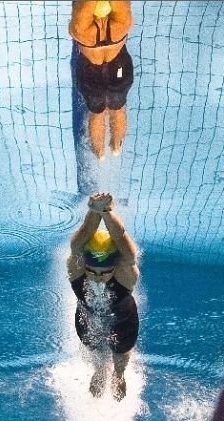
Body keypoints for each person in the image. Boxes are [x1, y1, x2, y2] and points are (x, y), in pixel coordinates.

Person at [67, 192, 140, 400]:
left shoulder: (125, 274)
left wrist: (107, 213)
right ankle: (99, 370)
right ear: (84, 265)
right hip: (88, 319)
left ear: (115, 266)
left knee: (120, 356)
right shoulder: (77, 270)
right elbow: (80, 240)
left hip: (124, 321)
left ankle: (119, 374)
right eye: (92, 270)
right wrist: (94, 211)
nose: (97, 277)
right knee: (96, 352)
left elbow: (124, 244)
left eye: (105, 272)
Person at [69, 1, 134, 161]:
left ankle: (99, 153)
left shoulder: (80, 29)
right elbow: (123, 5)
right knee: (118, 109)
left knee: (96, 114)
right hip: (119, 69)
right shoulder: (122, 24)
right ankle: (116, 146)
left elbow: (82, 9)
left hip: (91, 73)